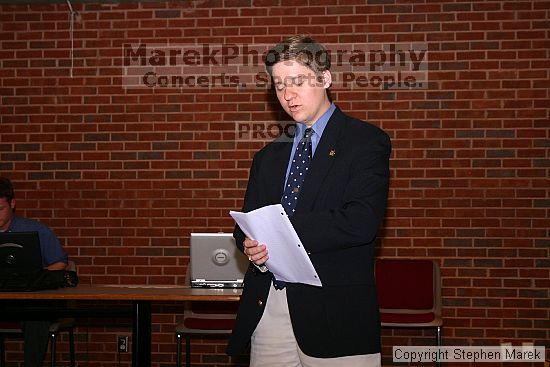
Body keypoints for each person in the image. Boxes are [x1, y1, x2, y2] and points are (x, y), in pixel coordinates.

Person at [226, 35, 391, 366]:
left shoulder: (365, 141)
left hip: (336, 315)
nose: (287, 94)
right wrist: (251, 245)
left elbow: (360, 222)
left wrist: (281, 231)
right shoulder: (267, 157)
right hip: (269, 311)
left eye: (297, 81)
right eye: (278, 85)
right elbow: (247, 224)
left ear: (325, 78)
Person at [0, 177, 68, 367]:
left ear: (12, 204)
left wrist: (36, 277)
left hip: (29, 300)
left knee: (36, 316)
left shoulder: (36, 230)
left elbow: (60, 263)